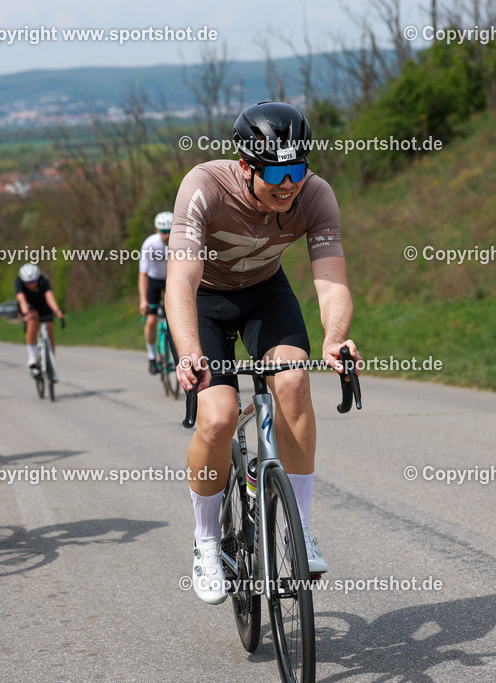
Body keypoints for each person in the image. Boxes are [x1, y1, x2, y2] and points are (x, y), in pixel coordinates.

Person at [166, 101, 362, 604]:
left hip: (264, 292)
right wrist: (189, 351)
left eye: (297, 169)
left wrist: (335, 338)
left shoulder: (314, 194)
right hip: (205, 301)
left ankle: (300, 529)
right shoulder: (205, 186)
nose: (288, 184)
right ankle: (206, 541)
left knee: (294, 382)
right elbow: (181, 280)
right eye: (275, 172)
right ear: (247, 165)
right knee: (218, 416)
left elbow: (330, 279)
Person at [15, 263, 64, 378]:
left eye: (33, 281)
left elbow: (49, 296)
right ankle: (32, 357)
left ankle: (51, 364)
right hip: (29, 305)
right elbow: (21, 299)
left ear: (38, 277)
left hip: (43, 304)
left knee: (49, 327)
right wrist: (26, 313)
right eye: (28, 283)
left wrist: (57, 310)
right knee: (32, 321)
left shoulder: (43, 281)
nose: (31, 285)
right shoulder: (19, 282)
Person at [139, 211, 173, 374]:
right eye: (163, 232)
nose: (167, 235)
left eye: (170, 231)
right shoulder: (150, 244)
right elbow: (143, 274)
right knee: (151, 320)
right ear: (157, 230)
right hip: (153, 280)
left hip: (171, 280)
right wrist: (143, 300)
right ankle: (152, 357)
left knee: (176, 319)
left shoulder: (180, 242)